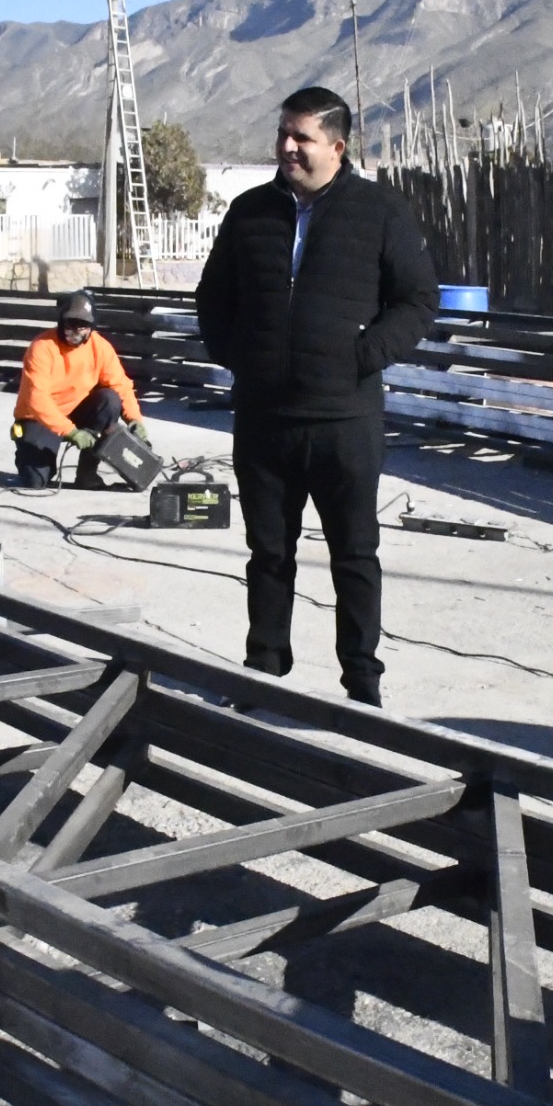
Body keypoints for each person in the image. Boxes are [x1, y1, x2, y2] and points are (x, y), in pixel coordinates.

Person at [194, 86, 438, 706]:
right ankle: (264, 673)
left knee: (354, 555)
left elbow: (417, 300)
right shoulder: (249, 213)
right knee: (268, 554)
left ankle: (362, 685)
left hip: (344, 420)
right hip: (264, 419)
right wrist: (240, 356)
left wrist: (362, 357)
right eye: (282, 134)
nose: (287, 148)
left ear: (337, 144)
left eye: (300, 137)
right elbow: (212, 299)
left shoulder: (380, 210)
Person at [12, 290, 144, 488]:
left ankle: (87, 474)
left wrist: (135, 419)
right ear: (61, 321)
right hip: (40, 418)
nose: (75, 331)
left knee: (110, 399)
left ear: (91, 327)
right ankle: (29, 455)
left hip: (78, 410)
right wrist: (71, 432)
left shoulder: (99, 347)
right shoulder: (42, 347)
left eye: (82, 326)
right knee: (36, 482)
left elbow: (120, 384)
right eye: (70, 324)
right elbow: (37, 399)